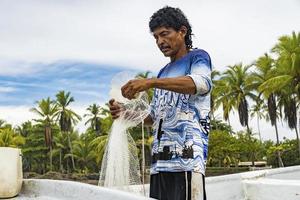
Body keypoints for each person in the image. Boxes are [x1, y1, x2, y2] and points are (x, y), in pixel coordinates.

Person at [109, 6, 212, 200]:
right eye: (156, 37)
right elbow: (154, 117)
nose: (160, 42)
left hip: (187, 161)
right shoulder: (163, 73)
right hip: (159, 164)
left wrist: (149, 82)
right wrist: (124, 113)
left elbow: (200, 83)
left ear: (182, 31)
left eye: (164, 34)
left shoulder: (198, 57)